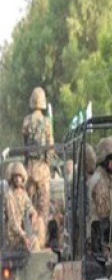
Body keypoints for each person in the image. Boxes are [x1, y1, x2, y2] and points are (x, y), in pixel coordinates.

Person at [22, 86, 56, 221]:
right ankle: (42, 237)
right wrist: (48, 163)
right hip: (43, 168)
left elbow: (24, 143)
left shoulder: (26, 121)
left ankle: (30, 235)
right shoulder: (47, 122)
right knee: (43, 207)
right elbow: (50, 146)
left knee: (29, 206)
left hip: (29, 167)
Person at [88, 136, 112, 263]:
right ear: (104, 160)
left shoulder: (106, 176)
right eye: (111, 159)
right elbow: (104, 215)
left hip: (103, 235)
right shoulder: (101, 180)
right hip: (103, 238)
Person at [4, 162, 42, 252]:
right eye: (15, 177)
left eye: (19, 176)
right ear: (12, 178)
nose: (17, 179)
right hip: (12, 237)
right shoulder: (9, 195)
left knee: (37, 234)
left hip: (22, 234)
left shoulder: (23, 194)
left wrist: (33, 214)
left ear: (22, 178)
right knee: (34, 242)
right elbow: (13, 223)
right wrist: (24, 235)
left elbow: (29, 207)